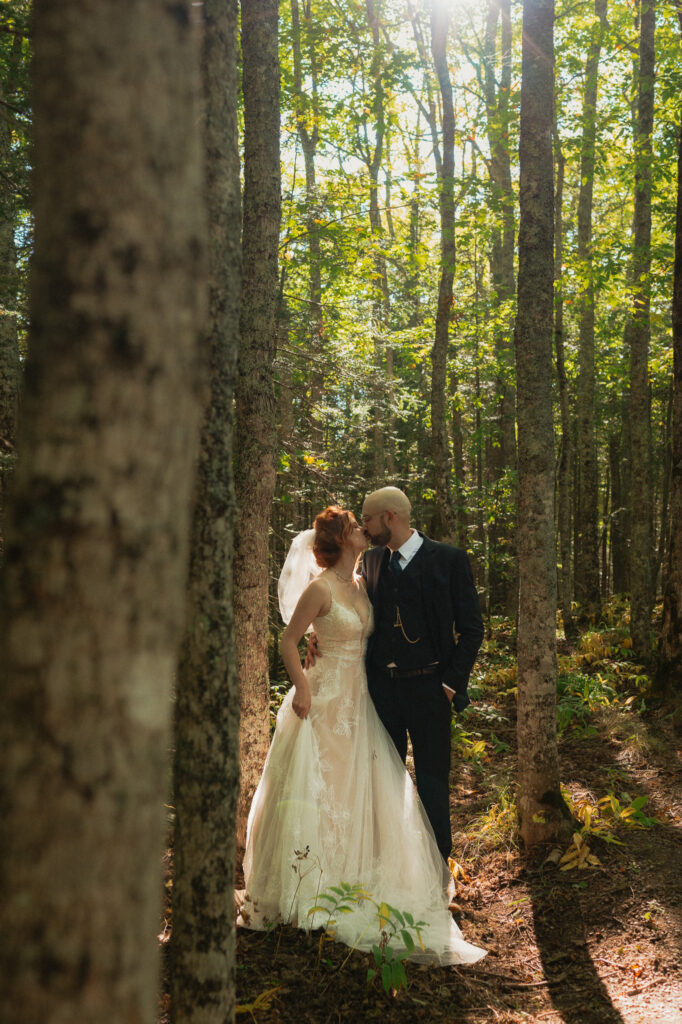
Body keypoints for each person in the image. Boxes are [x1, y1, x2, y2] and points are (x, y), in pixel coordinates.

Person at [237, 506, 485, 966]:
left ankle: (369, 875)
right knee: (322, 788)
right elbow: (288, 641)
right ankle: (311, 884)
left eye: (362, 523)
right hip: (323, 701)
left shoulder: (362, 579)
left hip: (362, 700)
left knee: (360, 790)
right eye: (355, 526)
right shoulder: (320, 587)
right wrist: (303, 687)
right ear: (340, 539)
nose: (362, 530)